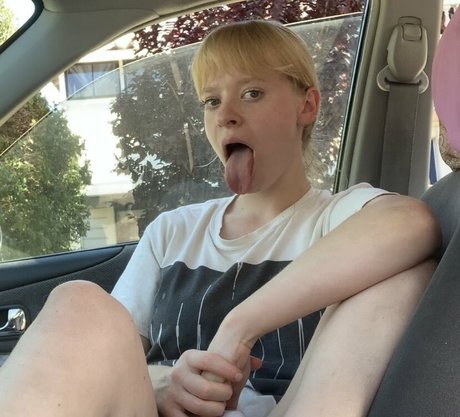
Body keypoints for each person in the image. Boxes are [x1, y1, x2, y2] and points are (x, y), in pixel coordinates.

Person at [0, 20, 439, 417]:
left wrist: (240, 326)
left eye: (252, 93)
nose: (226, 115)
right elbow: (105, 360)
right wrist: (163, 382)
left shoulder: (335, 220)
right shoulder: (172, 232)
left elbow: (411, 222)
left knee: (402, 271)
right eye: (211, 101)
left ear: (307, 106)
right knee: (77, 300)